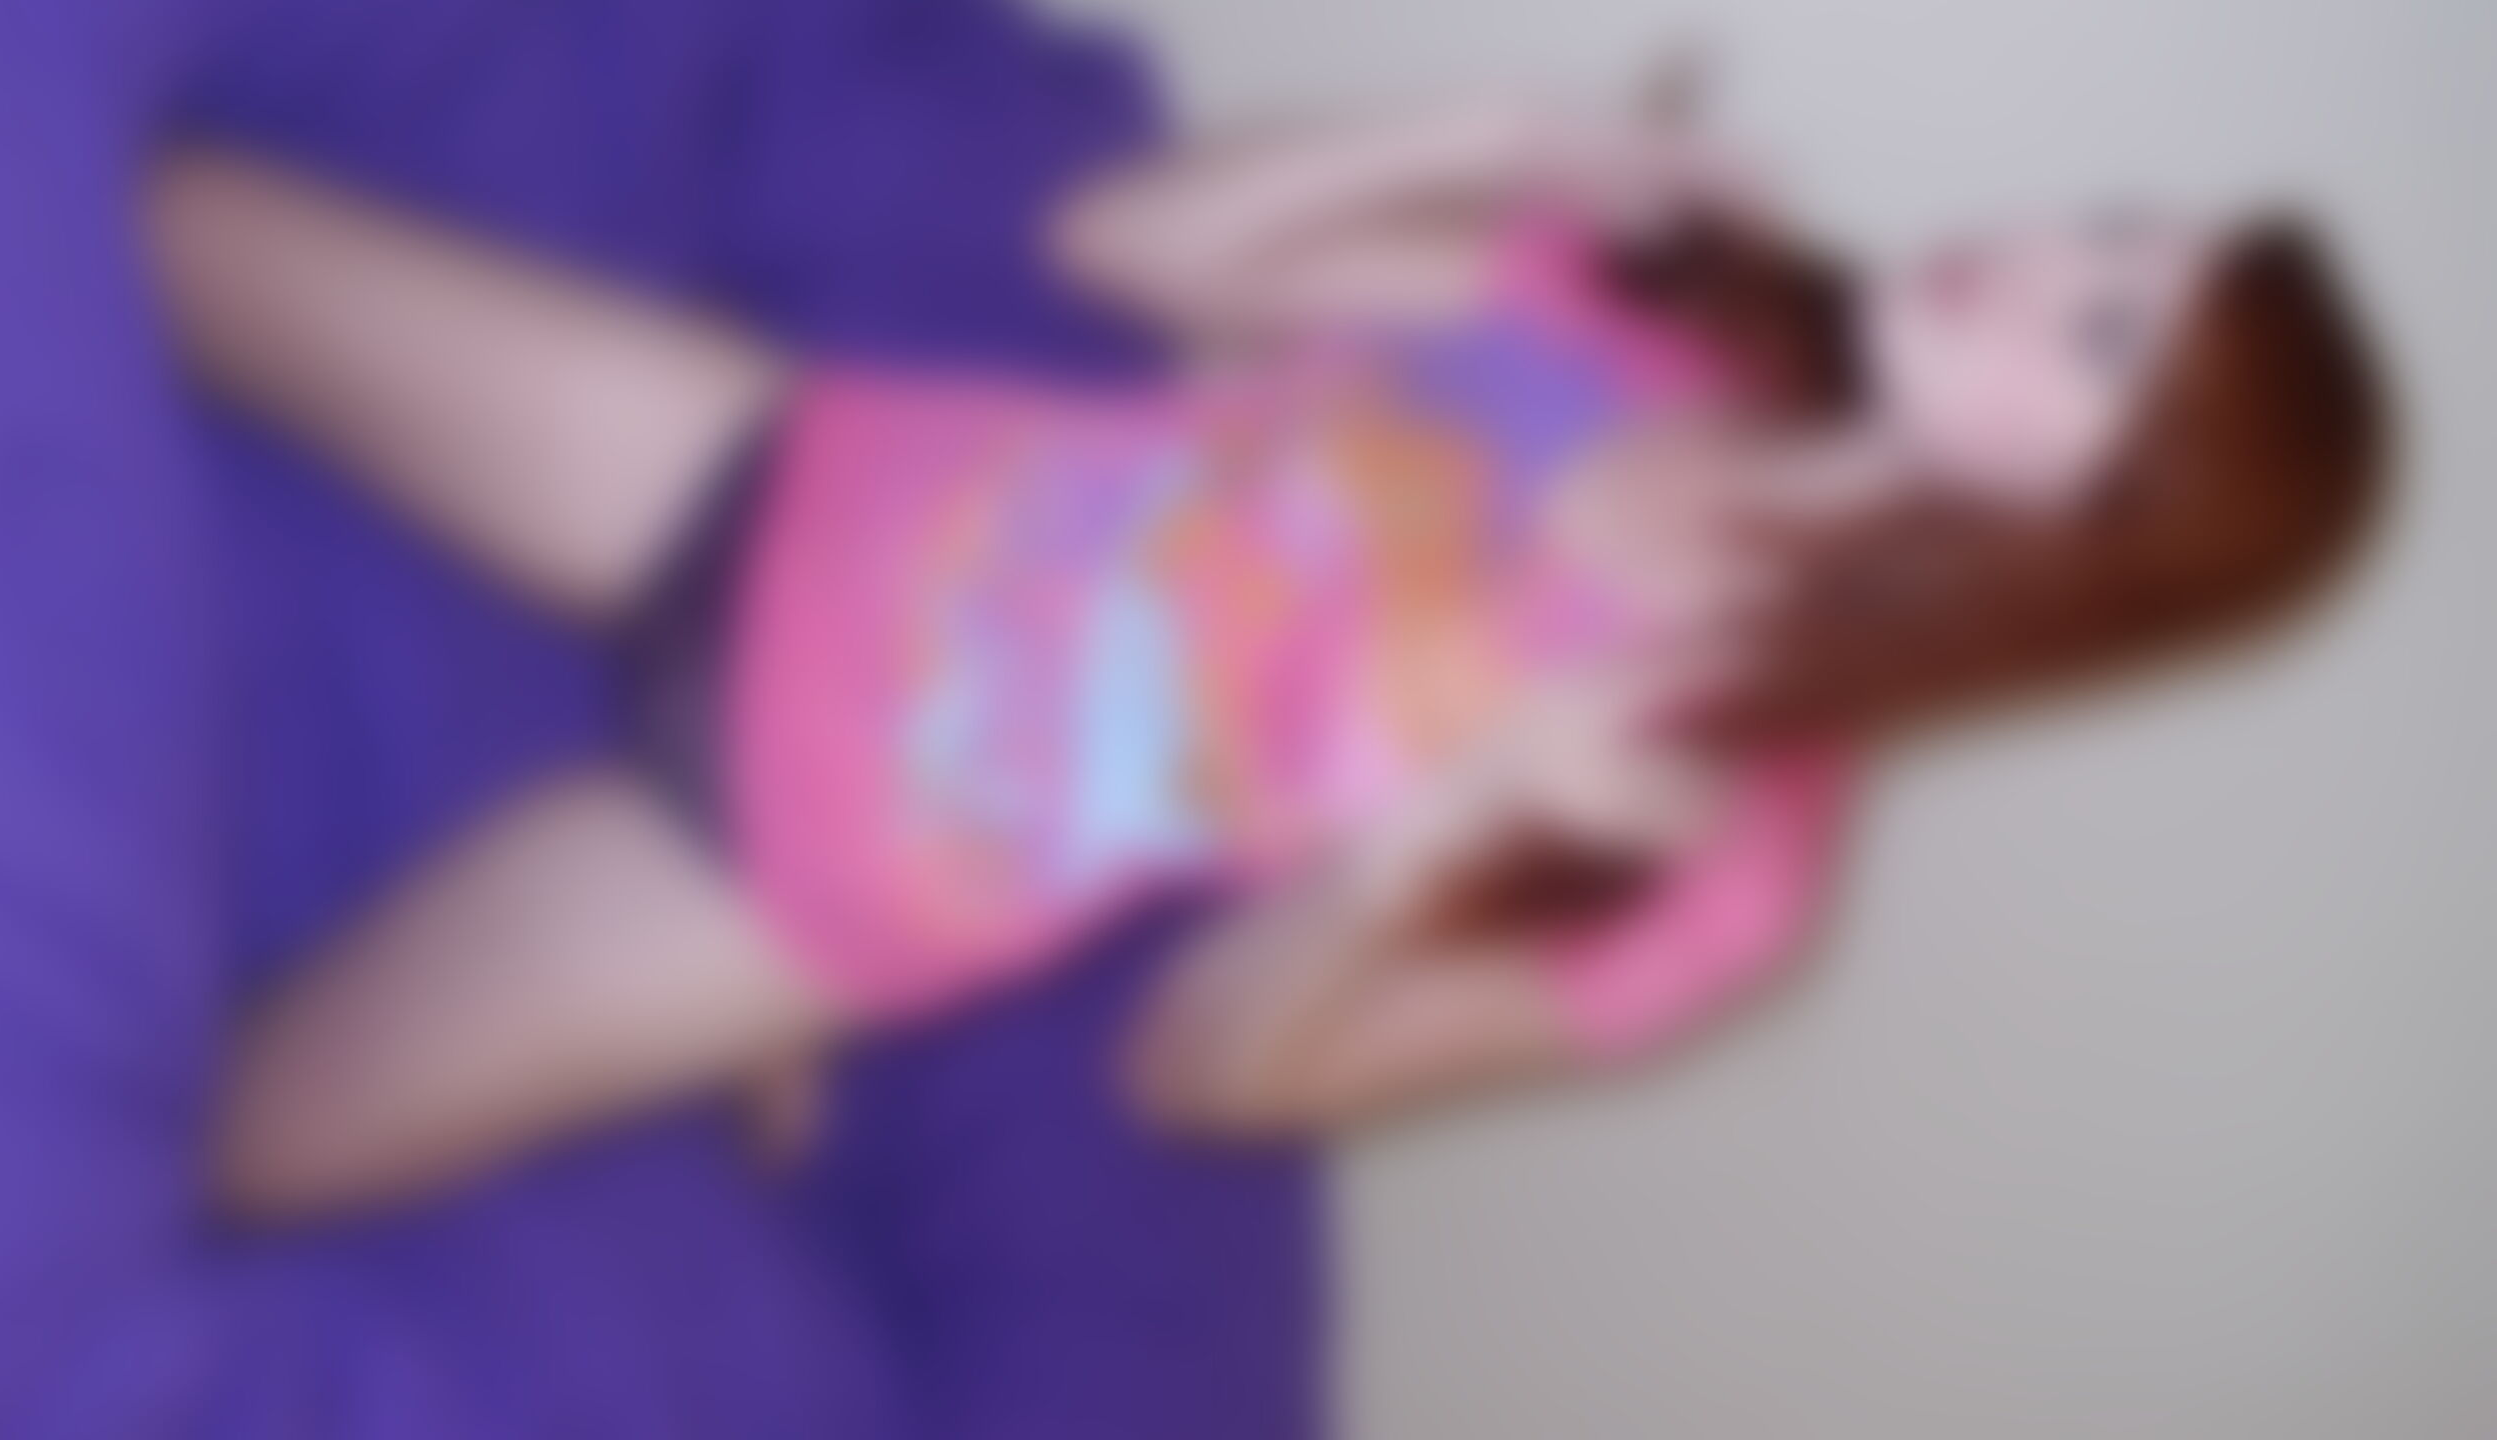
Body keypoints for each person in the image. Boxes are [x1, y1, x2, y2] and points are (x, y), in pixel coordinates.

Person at [0, 0, 1319, 1437]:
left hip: (881, 861)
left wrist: (1247, 890)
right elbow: (1124, 246)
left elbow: (1230, 1054)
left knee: (255, 1144)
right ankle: (89, 198)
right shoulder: (1572, 320)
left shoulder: (1652, 842)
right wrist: (1507, 163)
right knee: (95, 33)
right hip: (866, 511)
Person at [147, 74, 2387, 1220]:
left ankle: (750, 1044)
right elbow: (1127, 243)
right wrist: (1509, 132)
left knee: (222, 1145)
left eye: (2109, 329)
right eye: (2115, 223)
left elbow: (1201, 1074)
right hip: (796, 479)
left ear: (2102, 534)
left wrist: (1433, 837)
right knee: (171, 226)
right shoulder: (1675, 315)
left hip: (811, 865)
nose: (2041, 255)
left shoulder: (1737, 869)